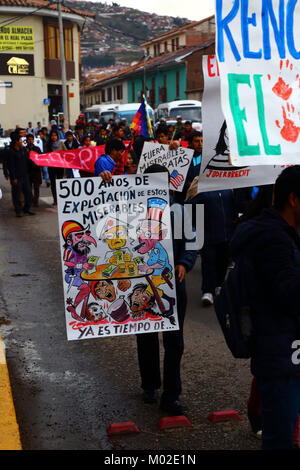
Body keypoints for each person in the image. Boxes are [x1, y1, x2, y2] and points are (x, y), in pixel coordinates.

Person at [230, 166, 300, 450]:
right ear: (294, 199)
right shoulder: (272, 239)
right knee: (279, 439)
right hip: (280, 356)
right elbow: (288, 294)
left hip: (287, 352)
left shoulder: (285, 233)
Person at [135, 164, 198, 415]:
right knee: (146, 338)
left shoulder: (179, 211)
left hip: (174, 287)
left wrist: (184, 263)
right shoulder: (133, 213)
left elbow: (192, 242)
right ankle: (149, 386)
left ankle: (171, 396)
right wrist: (106, 180)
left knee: (175, 343)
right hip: (143, 287)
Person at [7, 133, 34, 217]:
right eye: (20, 140)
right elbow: (11, 166)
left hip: (25, 176)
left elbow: (27, 160)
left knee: (28, 193)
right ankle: (18, 211)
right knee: (17, 195)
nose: (22, 142)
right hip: (17, 177)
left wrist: (35, 163)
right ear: (16, 142)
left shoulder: (23, 150)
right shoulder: (11, 152)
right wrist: (13, 178)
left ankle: (27, 209)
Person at [47, 130, 66, 206]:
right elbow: (45, 155)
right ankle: (55, 199)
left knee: (59, 183)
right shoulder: (48, 145)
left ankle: (60, 198)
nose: (53, 137)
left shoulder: (61, 143)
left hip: (59, 166)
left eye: (55, 135)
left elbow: (66, 152)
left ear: (57, 136)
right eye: (52, 135)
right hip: (51, 167)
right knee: (53, 183)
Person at [25, 134, 42, 207]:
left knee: (36, 187)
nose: (30, 141)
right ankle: (31, 200)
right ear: (26, 141)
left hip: (36, 170)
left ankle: (36, 201)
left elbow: (41, 158)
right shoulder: (24, 149)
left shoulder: (37, 149)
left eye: (32, 139)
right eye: (29, 139)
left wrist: (37, 164)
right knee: (28, 187)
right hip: (28, 171)